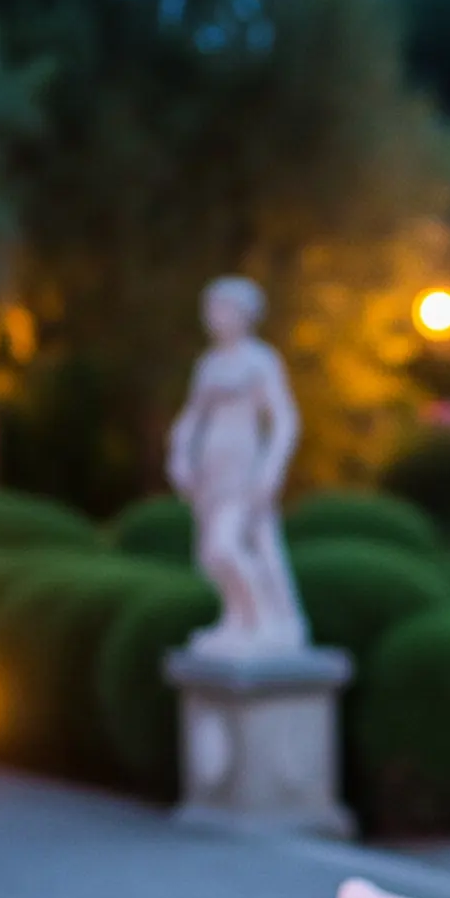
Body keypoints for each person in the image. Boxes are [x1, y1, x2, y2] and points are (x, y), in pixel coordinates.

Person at [166, 278, 307, 655]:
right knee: (210, 556)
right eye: (211, 310)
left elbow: (284, 419)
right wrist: (179, 454)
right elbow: (192, 417)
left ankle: (266, 620)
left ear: (245, 315)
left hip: (243, 464)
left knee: (223, 547)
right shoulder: (209, 364)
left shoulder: (260, 360)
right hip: (211, 468)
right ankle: (238, 620)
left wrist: (271, 468)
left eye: (223, 309)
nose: (215, 318)